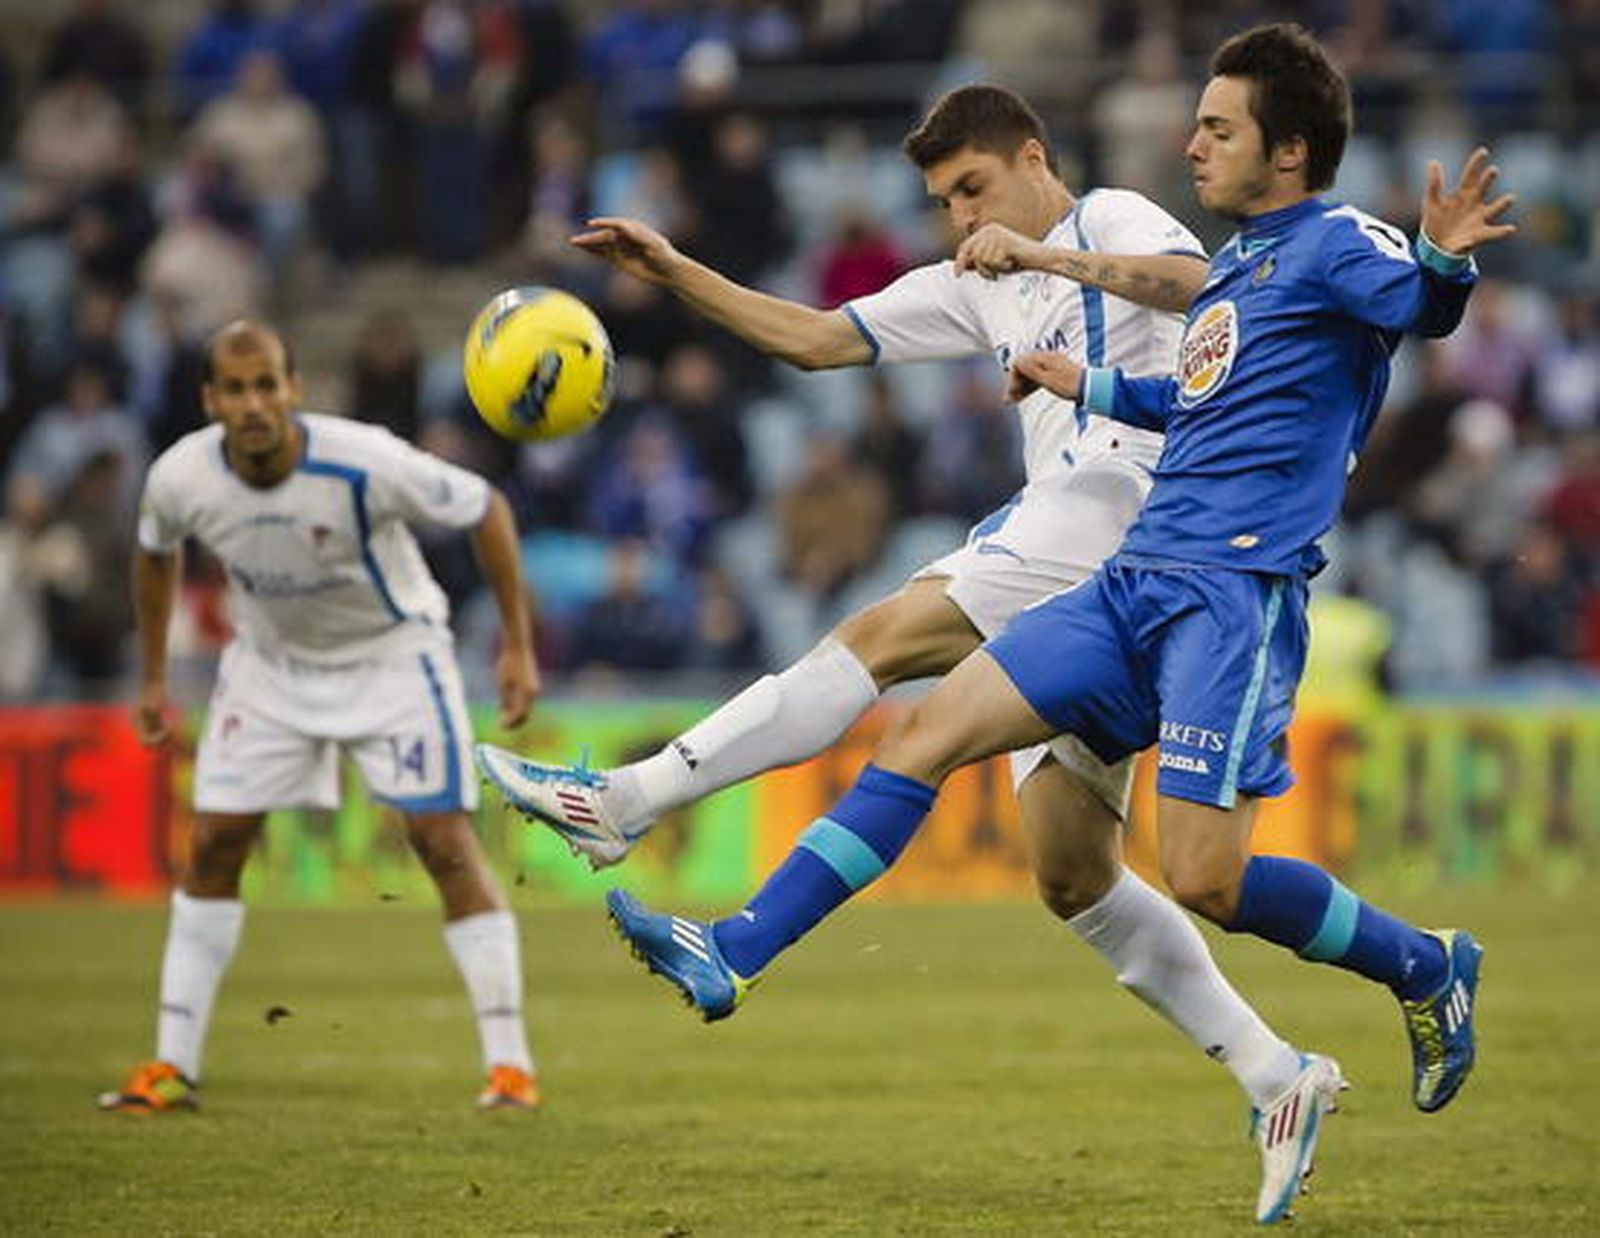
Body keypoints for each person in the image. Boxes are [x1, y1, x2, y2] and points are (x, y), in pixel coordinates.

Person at [599, 23, 1513, 1222]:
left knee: (1204, 878)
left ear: (1289, 150)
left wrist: (1443, 264)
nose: (1191, 142)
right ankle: (734, 951)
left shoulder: (1336, 240)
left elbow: (1420, 307)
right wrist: (1090, 383)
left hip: (1231, 601)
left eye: (1219, 127)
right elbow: (1196, 399)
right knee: (920, 734)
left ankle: (1426, 965)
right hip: (1134, 581)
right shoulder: (1244, 265)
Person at [478, 84, 1340, 1220]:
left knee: (880, 638)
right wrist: (672, 270)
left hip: (1125, 509)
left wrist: (1040, 252)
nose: (956, 218)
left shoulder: (1113, 218)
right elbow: (817, 340)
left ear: (1033, 159)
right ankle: (1277, 1073)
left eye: (971, 188)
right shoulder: (972, 284)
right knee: (1073, 874)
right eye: (940, 201)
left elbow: (1203, 288)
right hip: (1102, 576)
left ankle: (624, 802)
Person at [98, 320, 545, 1113]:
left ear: (294, 390)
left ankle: (510, 1067)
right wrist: (153, 676)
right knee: (214, 844)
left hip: (394, 659)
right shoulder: (180, 477)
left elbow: (486, 508)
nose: (254, 404)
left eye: (267, 385)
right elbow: (153, 552)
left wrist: (516, 648)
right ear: (210, 401)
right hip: (269, 668)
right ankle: (171, 1066)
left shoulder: (364, 460)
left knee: (440, 841)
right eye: (235, 390)